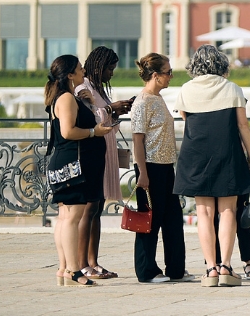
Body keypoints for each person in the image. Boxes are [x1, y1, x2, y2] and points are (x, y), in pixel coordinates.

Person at [174, 45, 250, 287]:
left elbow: (185, 118)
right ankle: (226, 267)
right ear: (221, 64)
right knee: (227, 210)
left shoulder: (186, 89)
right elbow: (242, 126)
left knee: (204, 213)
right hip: (227, 152)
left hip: (196, 154)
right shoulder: (232, 88)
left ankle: (210, 268)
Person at [46, 55, 115, 286]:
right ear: (69, 75)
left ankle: (64, 268)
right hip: (71, 165)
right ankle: (73, 270)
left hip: (66, 163)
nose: (83, 71)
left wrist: (89, 104)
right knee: (71, 218)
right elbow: (68, 131)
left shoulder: (66, 97)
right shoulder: (66, 98)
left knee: (65, 217)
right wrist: (95, 132)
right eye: (79, 68)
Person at [74, 46, 134, 281]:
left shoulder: (97, 88)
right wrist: (110, 108)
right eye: (110, 68)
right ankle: (82, 264)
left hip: (104, 148)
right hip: (91, 151)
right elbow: (87, 117)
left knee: (97, 207)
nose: (112, 73)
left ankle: (93, 262)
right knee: (90, 207)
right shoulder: (83, 88)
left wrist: (115, 113)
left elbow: (105, 121)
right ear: (99, 66)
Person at [130, 53, 187, 283]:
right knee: (149, 221)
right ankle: (147, 271)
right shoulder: (142, 102)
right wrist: (142, 173)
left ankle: (176, 268)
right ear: (155, 75)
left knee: (172, 219)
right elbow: (137, 141)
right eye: (168, 72)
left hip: (166, 166)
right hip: (150, 168)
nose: (171, 76)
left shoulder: (158, 98)